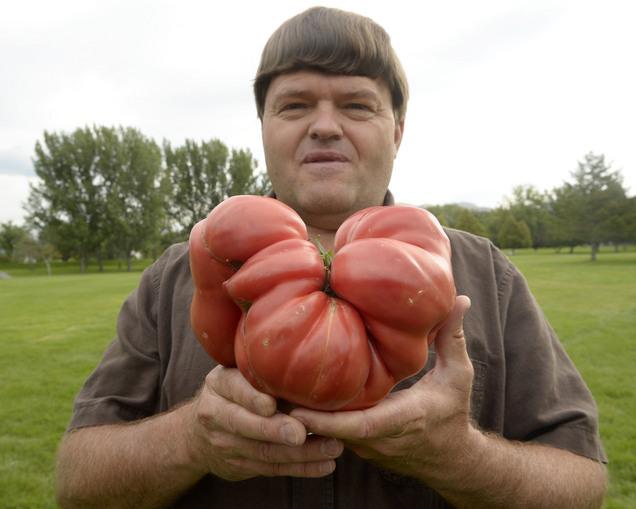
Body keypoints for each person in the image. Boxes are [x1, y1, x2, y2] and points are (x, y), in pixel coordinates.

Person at [55, 6, 607, 508]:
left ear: (397, 131)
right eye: (293, 105)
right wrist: (190, 439)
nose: (323, 125)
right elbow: (77, 483)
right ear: (264, 129)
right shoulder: (176, 277)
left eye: (356, 105)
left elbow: (582, 482)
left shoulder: (487, 275)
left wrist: (459, 456)